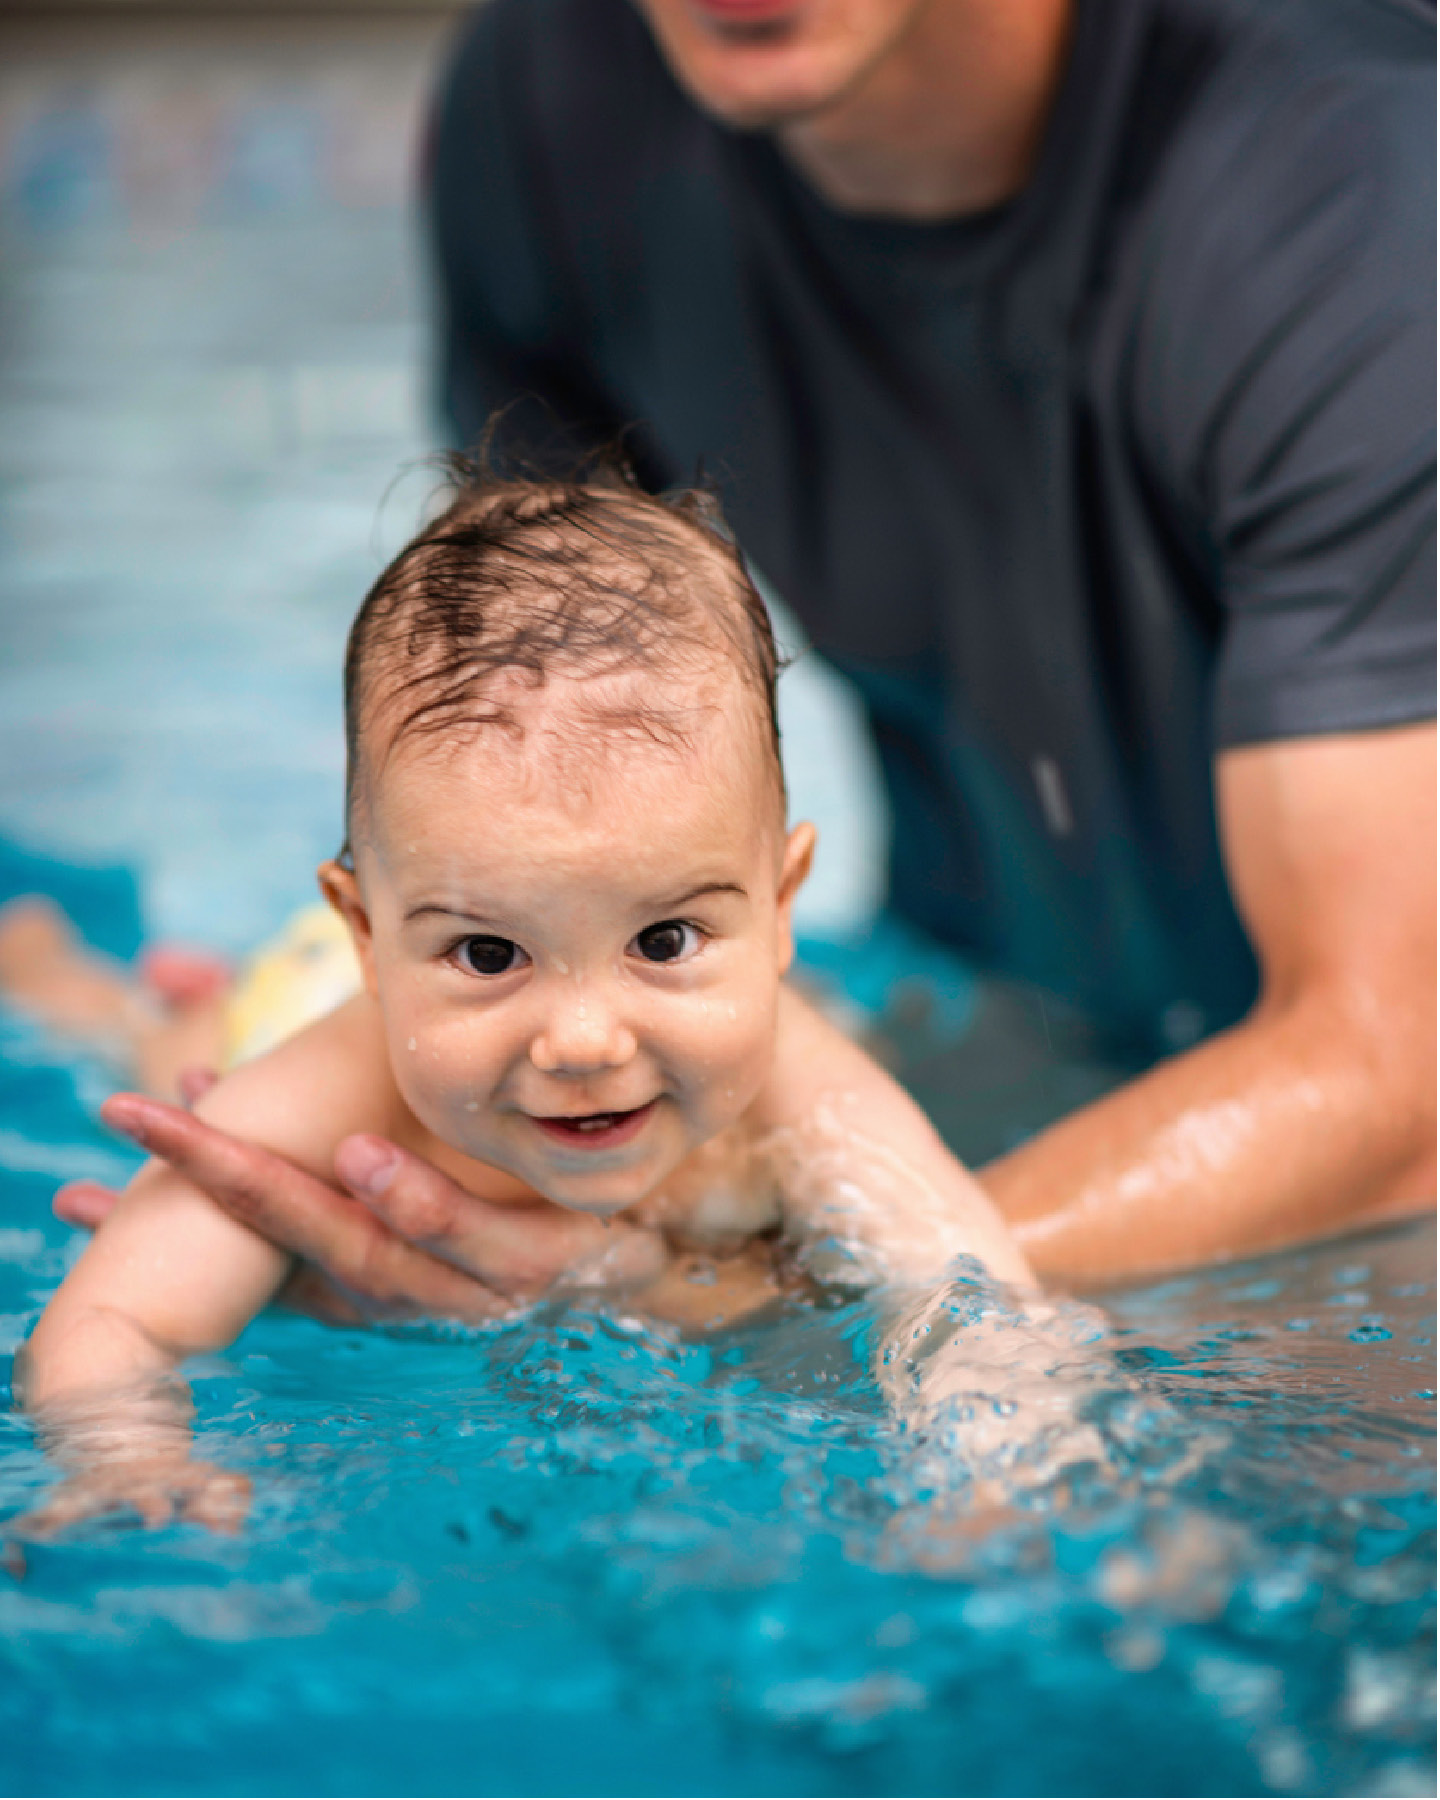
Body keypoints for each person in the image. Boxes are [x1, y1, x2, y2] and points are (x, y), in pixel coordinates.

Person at [46, 0, 1438, 1310]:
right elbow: (513, 757)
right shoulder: (559, 107)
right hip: (961, 1028)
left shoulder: (1358, 198)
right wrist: (343, 1055)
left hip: (1341, 1184)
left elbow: (1398, 1073)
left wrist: (788, 1298)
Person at [15, 463, 1034, 1529]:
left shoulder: (798, 1070)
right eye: (493, 955)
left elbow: (965, 1288)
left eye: (665, 938)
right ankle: (87, 989)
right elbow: (115, 1316)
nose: (584, 1041)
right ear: (365, 933)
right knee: (174, 1059)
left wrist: (1009, 1462)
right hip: (300, 1002)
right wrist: (121, 1457)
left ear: (782, 906)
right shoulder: (333, 1094)